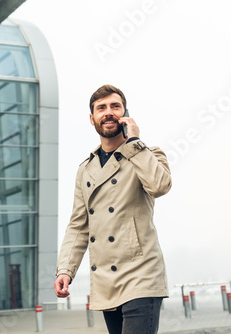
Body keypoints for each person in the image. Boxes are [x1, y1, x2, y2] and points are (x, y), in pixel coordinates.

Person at [54, 84, 172, 334]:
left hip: (142, 275)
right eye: (101, 108)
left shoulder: (148, 154)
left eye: (115, 106)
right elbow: (78, 225)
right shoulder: (85, 169)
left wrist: (136, 142)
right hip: (107, 281)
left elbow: (160, 186)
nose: (108, 112)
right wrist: (65, 270)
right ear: (92, 118)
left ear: (125, 114)